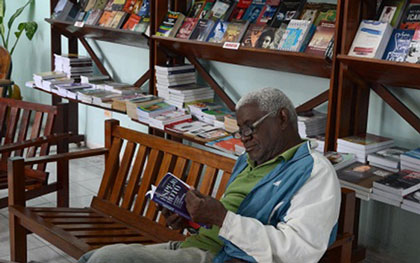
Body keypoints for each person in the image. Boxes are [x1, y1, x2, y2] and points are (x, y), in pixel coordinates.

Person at [79, 87, 341, 263]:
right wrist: (191, 219)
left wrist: (221, 218)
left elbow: (298, 252)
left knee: (108, 260)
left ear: (282, 119)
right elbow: (229, 218)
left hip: (222, 257)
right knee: (93, 257)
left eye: (250, 128)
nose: (245, 139)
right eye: (240, 130)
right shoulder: (249, 160)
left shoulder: (314, 172)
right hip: (197, 245)